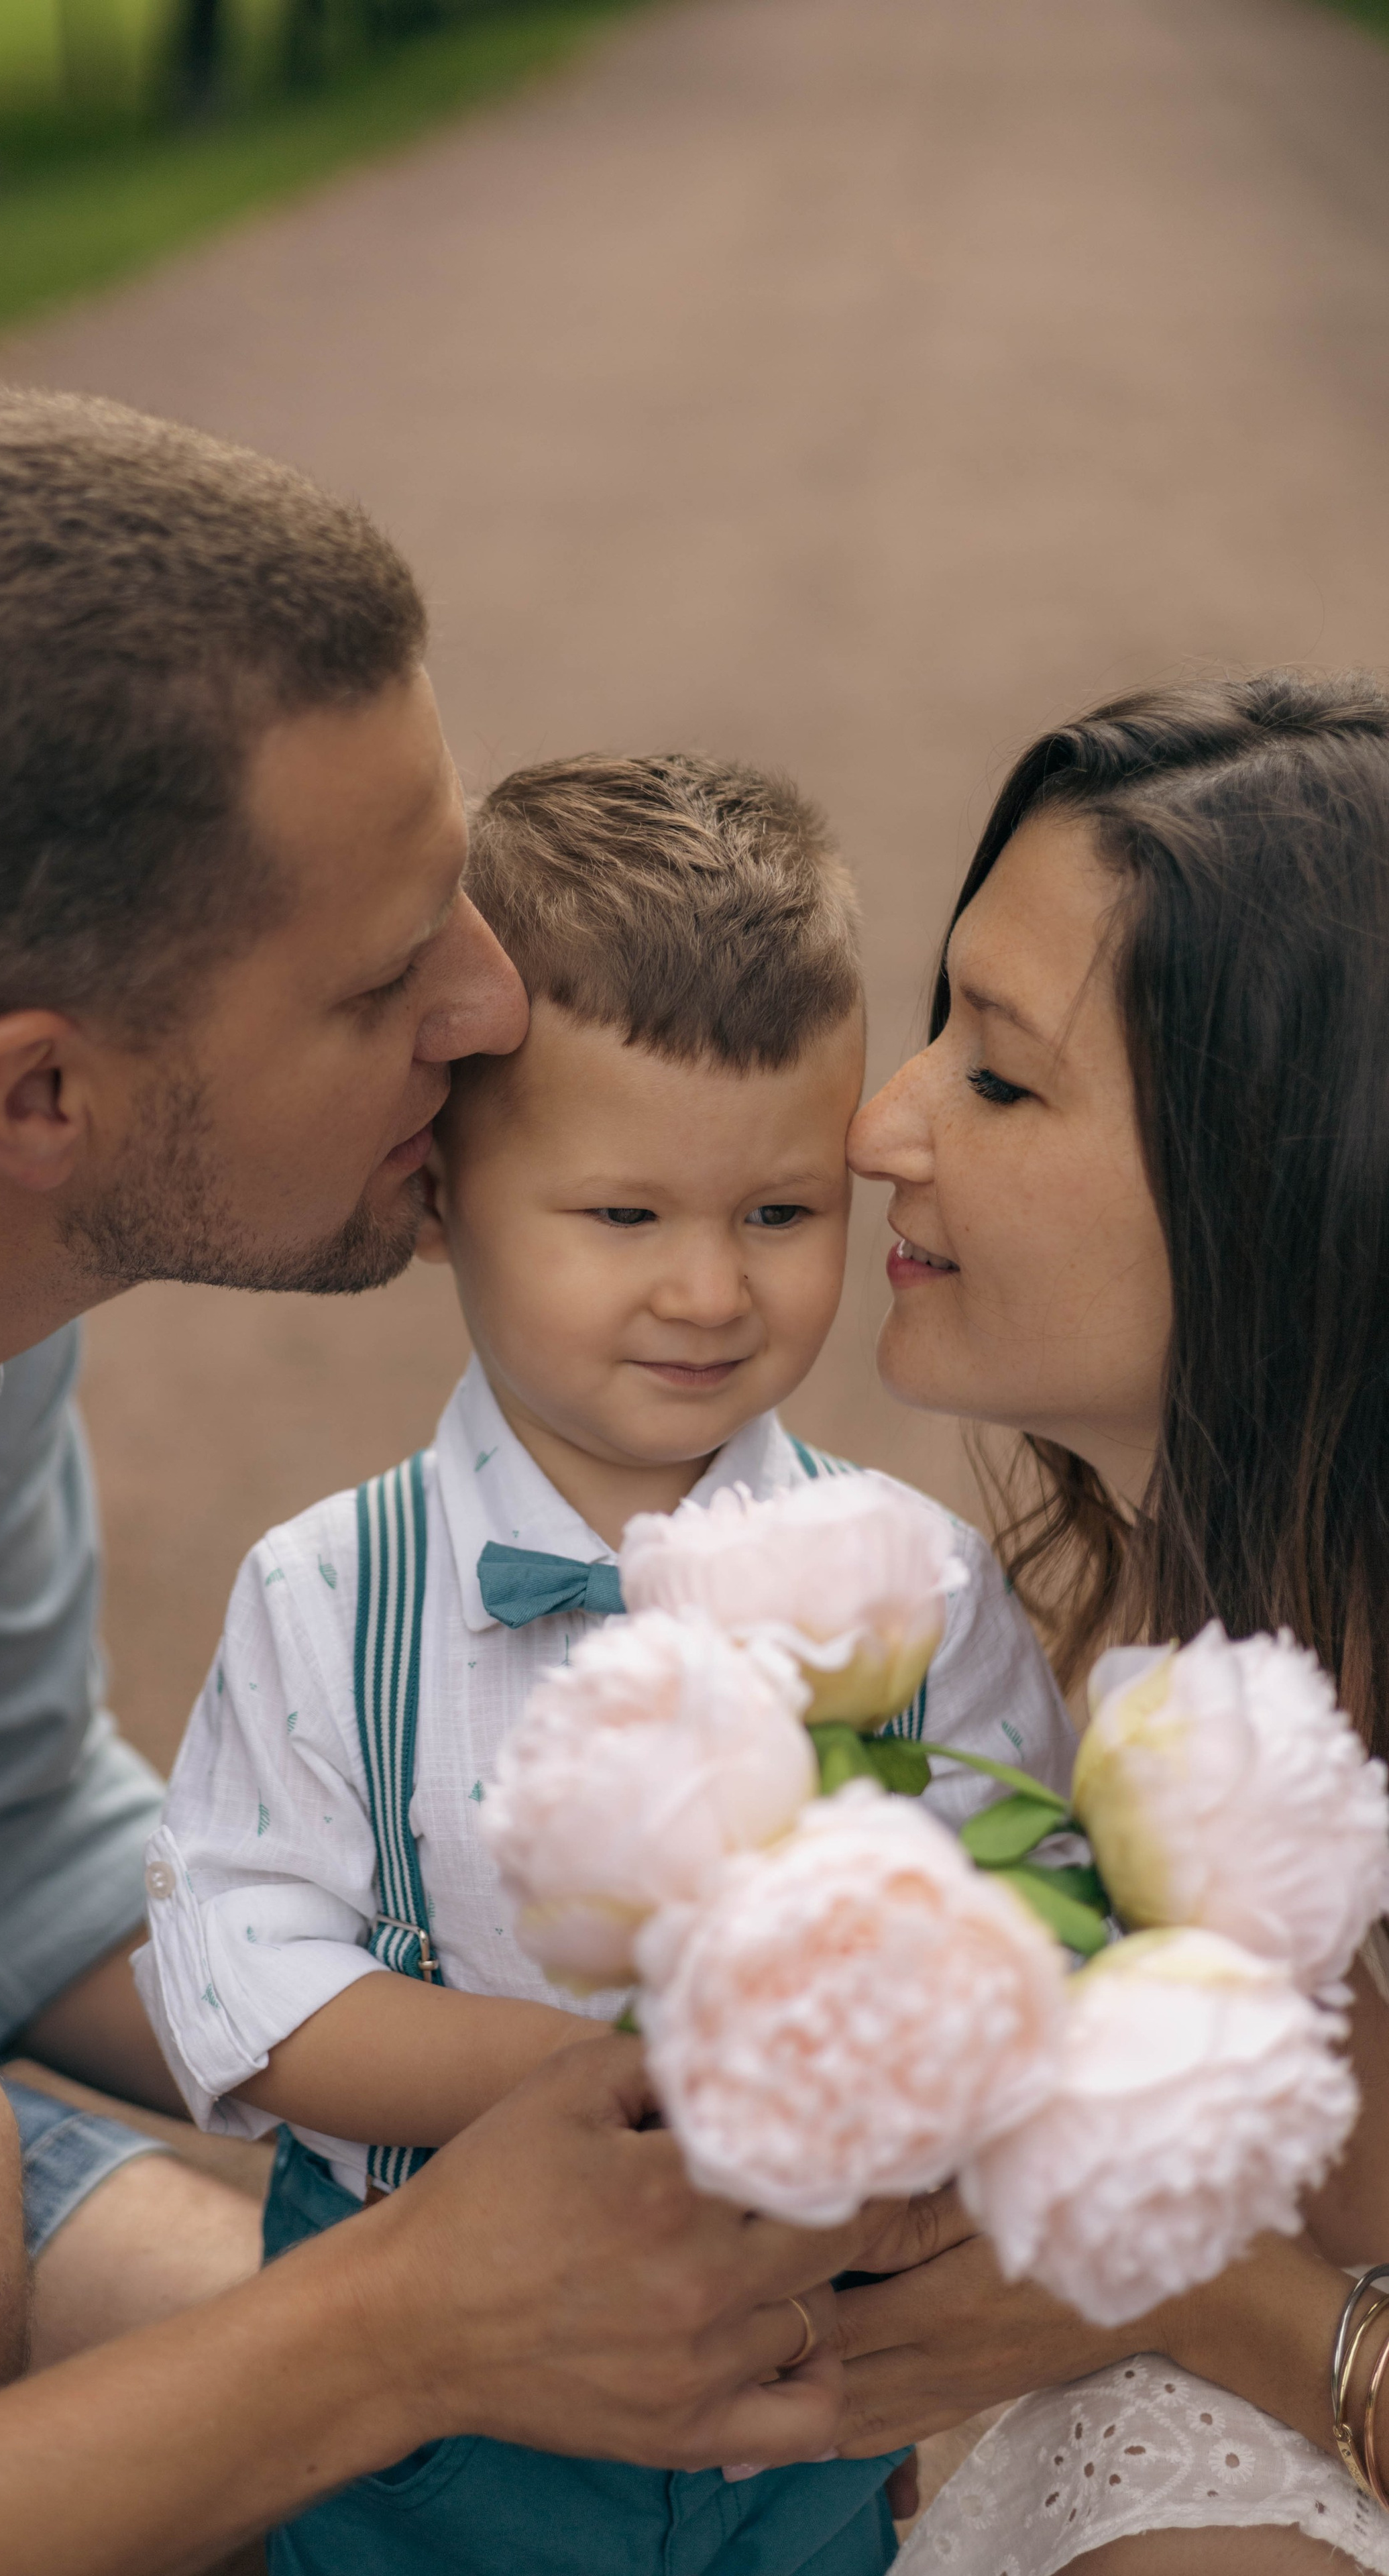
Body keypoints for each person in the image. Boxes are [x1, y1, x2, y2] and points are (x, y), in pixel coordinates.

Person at [0, 385, 945, 2571]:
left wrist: (559, 2099)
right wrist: (395, 2333)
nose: (488, 1008)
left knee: (629, 2387)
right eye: (391, 977)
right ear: (42, 1095)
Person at [137, 750, 1076, 2575]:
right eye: (626, 1217)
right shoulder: (337, 1592)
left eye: (781, 1215)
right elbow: (241, 1969)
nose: (712, 1293)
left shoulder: (914, 1586)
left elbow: (1035, 1888)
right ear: (437, 1197)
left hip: (798, 2375)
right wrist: (602, 2082)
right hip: (433, 2394)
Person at [841, 669, 1389, 2575]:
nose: (878, 1126)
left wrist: (1181, 2288)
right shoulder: (1127, 1649)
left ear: (1280, 1186)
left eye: (997, 1074)